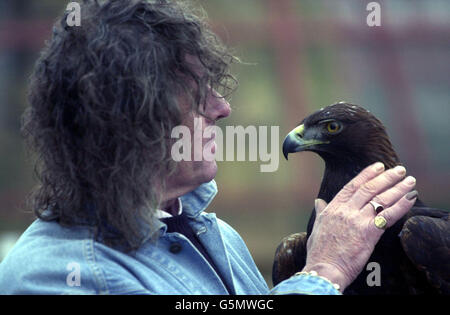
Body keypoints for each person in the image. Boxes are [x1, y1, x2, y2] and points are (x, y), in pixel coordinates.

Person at [0, 0, 417, 295]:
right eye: (198, 95)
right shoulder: (53, 276)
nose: (222, 108)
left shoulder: (218, 238)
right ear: (134, 119)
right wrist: (324, 271)